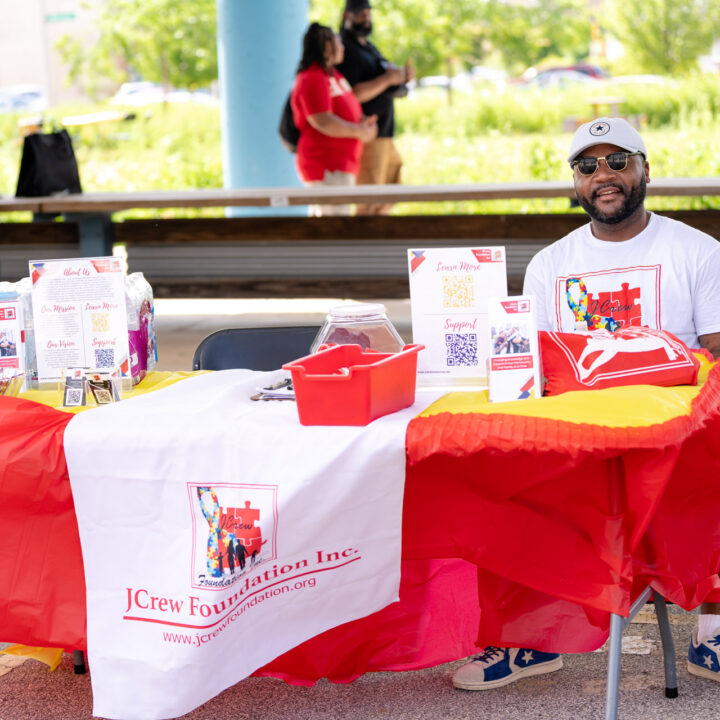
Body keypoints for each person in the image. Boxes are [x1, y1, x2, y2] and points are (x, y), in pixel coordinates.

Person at [453, 117, 720, 691]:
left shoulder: (697, 252)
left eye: (618, 161)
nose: (604, 175)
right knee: (498, 464)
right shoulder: (551, 263)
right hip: (578, 440)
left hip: (670, 436)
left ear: (646, 169)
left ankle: (713, 633)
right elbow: (531, 364)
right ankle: (529, 640)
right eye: (587, 165)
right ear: (575, 182)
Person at [291, 22, 378, 217]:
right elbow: (322, 120)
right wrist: (360, 132)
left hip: (342, 164)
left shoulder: (333, 75)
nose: (343, 47)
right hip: (326, 165)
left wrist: (365, 125)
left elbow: (350, 109)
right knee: (333, 226)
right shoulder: (312, 76)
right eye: (338, 42)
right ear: (327, 46)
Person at [336, 0, 414, 215]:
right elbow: (351, 95)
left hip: (384, 133)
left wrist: (400, 78)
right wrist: (388, 79)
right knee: (368, 203)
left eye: (368, 14)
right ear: (346, 16)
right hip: (368, 136)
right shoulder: (346, 49)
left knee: (390, 191)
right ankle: (363, 247)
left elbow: (386, 80)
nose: (366, 19)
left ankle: (378, 244)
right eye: (361, 14)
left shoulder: (368, 47)